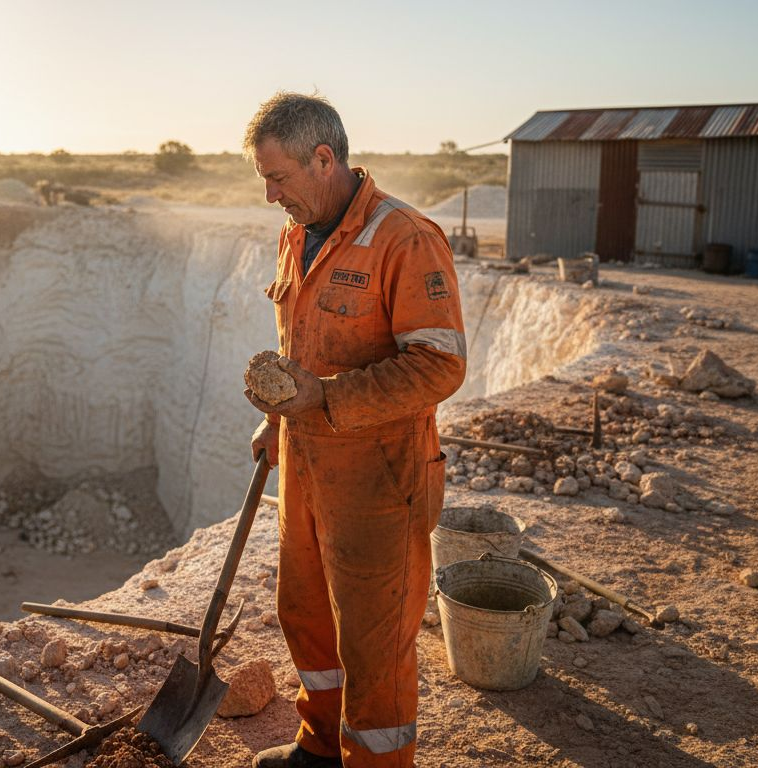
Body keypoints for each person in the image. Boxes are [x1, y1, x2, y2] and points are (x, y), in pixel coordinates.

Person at [241, 92, 467, 768]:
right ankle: (319, 749)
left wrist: (326, 397)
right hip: (308, 466)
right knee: (306, 616)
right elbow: (307, 342)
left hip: (379, 479)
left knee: (373, 644)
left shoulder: (405, 238)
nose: (272, 194)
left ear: (323, 158)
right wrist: (280, 421)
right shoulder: (297, 231)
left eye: (278, 178)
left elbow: (441, 365)